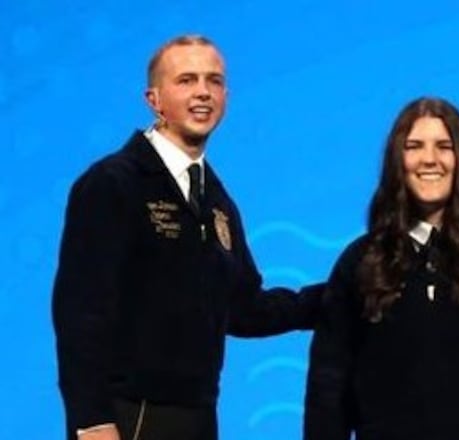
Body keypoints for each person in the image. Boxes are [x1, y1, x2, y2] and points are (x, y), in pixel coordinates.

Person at [52, 34, 323, 440]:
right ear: (154, 99)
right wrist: (90, 420)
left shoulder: (217, 202)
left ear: (226, 96)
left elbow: (245, 309)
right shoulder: (113, 183)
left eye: (213, 81)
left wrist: (339, 296)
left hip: (198, 417)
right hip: (129, 416)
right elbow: (80, 312)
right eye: (186, 80)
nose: (202, 93)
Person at [304, 97, 459, 440]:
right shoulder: (363, 262)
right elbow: (328, 390)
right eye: (414, 147)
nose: (429, 159)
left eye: (444, 146)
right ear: (398, 161)